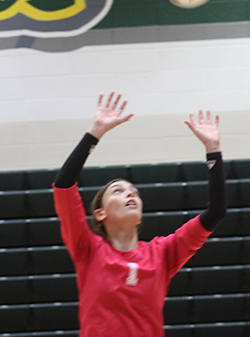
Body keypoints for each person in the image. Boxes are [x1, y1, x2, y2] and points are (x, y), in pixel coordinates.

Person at [53, 92, 226, 337]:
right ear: (100, 214)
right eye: (118, 191)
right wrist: (94, 133)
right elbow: (63, 187)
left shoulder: (163, 254)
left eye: (133, 191)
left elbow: (216, 212)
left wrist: (213, 149)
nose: (130, 194)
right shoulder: (88, 250)